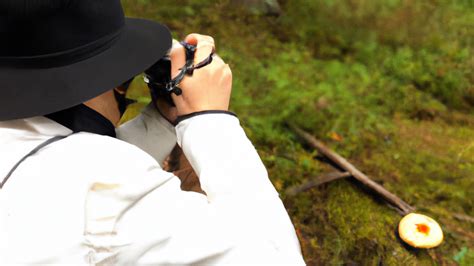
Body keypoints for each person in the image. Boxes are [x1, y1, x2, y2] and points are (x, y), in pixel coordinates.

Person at [0, 0, 305, 264]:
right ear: (87, 83)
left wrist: (161, 121)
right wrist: (209, 120)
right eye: (121, 80)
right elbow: (273, 255)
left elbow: (56, 160)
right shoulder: (101, 191)